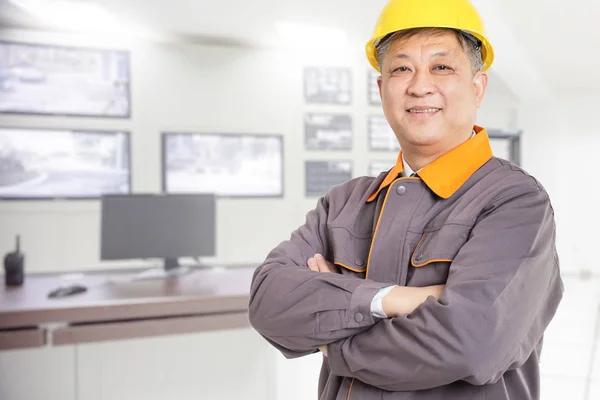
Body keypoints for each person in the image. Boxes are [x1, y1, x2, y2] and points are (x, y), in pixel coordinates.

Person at [248, 0, 564, 398]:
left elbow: (471, 345)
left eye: (442, 66)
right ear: (382, 89)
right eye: (401, 68)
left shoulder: (515, 202)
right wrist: (394, 300)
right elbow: (268, 303)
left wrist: (333, 340)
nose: (419, 85)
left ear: (477, 86)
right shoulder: (343, 203)